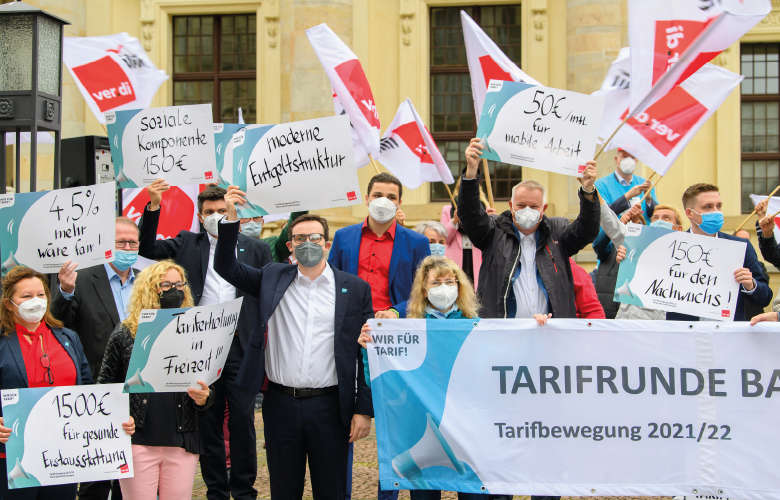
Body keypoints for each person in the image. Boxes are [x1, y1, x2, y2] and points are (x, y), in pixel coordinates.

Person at [213, 189, 374, 500]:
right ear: (289, 246)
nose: (307, 244)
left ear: (327, 244)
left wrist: (363, 409)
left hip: (331, 407)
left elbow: (365, 352)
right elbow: (227, 268)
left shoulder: (355, 289)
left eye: (315, 238)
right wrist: (231, 219)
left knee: (333, 491)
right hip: (280, 405)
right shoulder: (272, 277)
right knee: (284, 491)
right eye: (299, 239)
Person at [138, 181, 272, 500]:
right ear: (200, 216)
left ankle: (243, 490)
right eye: (209, 212)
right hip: (200, 348)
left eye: (221, 211)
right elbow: (147, 249)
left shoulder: (256, 248)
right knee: (207, 421)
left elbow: (265, 293)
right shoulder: (187, 242)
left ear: (231, 212)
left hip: (240, 345)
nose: (215, 216)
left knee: (242, 420)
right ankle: (215, 489)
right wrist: (154, 205)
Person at [0, 266, 134, 500]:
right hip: (13, 456)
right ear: (9, 303)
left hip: (61, 456)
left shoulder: (67, 337)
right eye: (26, 296)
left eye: (41, 295)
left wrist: (116, 420)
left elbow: (86, 392)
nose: (36, 301)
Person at [358, 255, 486, 500]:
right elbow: (381, 383)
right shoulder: (406, 329)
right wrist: (369, 352)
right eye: (436, 283)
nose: (444, 288)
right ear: (424, 291)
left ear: (460, 287)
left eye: (450, 281)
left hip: (467, 426)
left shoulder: (476, 325)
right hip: (420, 423)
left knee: (473, 495)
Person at [98, 260, 213, 500]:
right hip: (138, 441)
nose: (175, 290)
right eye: (167, 285)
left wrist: (205, 398)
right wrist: (121, 417)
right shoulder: (125, 332)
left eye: (180, 284)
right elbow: (105, 388)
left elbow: (209, 385)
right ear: (150, 290)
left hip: (182, 441)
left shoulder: (197, 330)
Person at [459, 137, 601, 320]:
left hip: (550, 331)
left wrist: (588, 191)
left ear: (544, 209)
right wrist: (471, 172)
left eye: (534, 207)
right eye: (521, 205)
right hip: (502, 333)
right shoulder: (492, 231)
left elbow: (587, 231)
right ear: (511, 206)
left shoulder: (559, 232)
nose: (527, 211)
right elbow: (470, 214)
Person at [50, 216, 141, 500]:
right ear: (106, 244)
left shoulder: (146, 279)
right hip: (99, 390)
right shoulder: (83, 278)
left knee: (137, 473)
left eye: (132, 242)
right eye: (121, 242)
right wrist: (64, 291)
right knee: (98, 477)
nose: (127, 247)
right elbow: (59, 324)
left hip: (140, 390)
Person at [330, 172, 431, 320]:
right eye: (377, 195)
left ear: (399, 204)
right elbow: (331, 282)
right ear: (367, 199)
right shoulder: (342, 236)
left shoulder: (418, 243)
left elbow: (425, 290)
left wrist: (397, 312)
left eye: (391, 197)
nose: (384, 202)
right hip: (348, 323)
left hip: (394, 327)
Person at [666, 183, 772, 322]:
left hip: (727, 336)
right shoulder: (670, 247)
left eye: (719, 206)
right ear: (690, 213)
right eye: (708, 207)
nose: (716, 211)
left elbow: (764, 297)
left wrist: (751, 285)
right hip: (684, 334)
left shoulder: (740, 247)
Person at [611, 204, 686, 321]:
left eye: (666, 218)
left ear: (678, 229)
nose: (659, 221)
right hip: (633, 324)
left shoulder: (689, 259)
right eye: (655, 218)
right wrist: (626, 262)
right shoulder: (635, 250)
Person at [440, 181, 498, 288]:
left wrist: (493, 220)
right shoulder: (448, 209)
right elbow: (444, 238)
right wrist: (454, 220)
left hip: (477, 255)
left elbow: (492, 237)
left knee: (476, 289)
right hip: (455, 258)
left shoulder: (485, 208)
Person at [594, 148, 657, 222]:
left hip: (643, 232)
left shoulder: (646, 184)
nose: (629, 161)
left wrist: (648, 199)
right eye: (624, 156)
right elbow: (603, 214)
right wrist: (628, 196)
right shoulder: (600, 185)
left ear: (636, 161)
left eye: (632, 157)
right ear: (616, 159)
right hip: (613, 233)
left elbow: (656, 214)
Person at [240, 211, 308, 263]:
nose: (252, 222)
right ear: (238, 223)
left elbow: (294, 221)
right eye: (246, 218)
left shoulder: (273, 245)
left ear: (262, 223)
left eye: (256, 218)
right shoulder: (230, 246)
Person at [733, 228, 770, 320]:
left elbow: (765, 290)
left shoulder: (758, 265)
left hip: (752, 317)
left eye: (747, 240)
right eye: (741, 239)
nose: (744, 242)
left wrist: (751, 284)